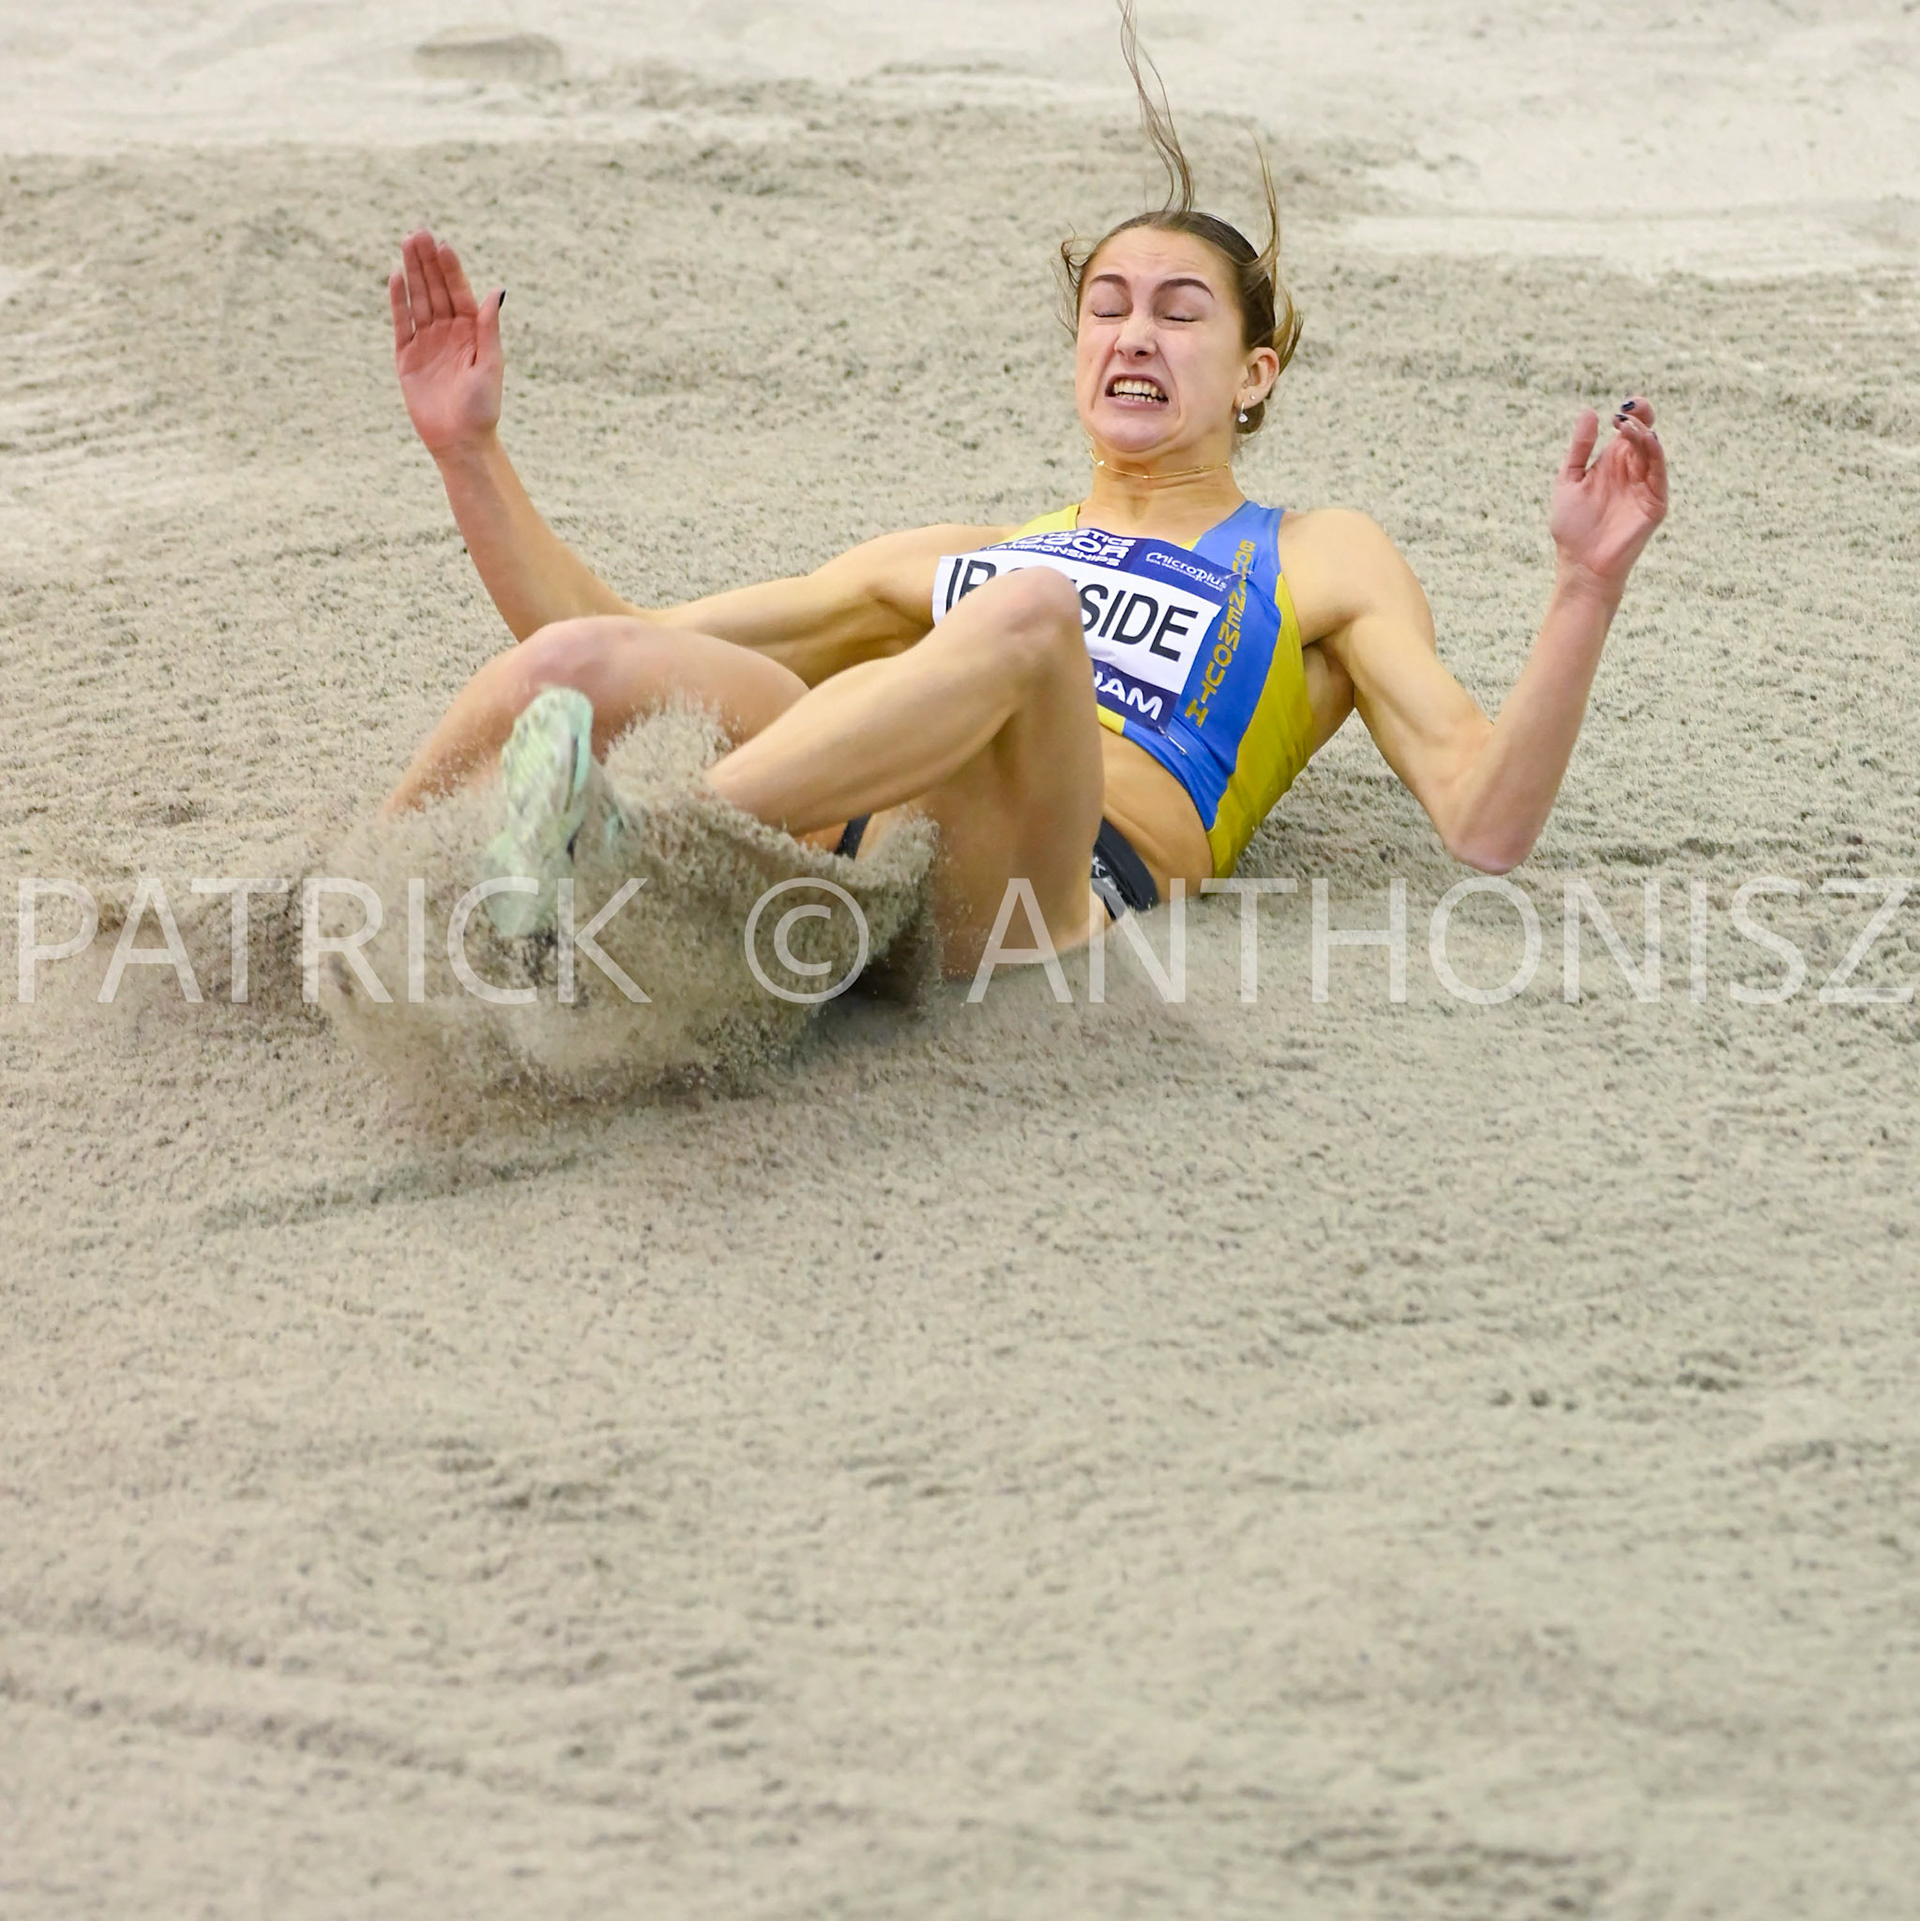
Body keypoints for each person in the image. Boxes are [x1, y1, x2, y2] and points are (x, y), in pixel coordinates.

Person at [379, 56, 1667, 976]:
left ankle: (649, 840)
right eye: (1107, 305)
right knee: (572, 668)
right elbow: (609, 632)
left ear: (1255, 372)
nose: (1134, 333)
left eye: (1179, 310)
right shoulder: (955, 560)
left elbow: (1485, 821)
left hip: (1048, 880)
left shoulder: (1313, 556)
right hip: (862, 825)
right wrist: (470, 452)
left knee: (1032, 617)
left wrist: (1584, 590)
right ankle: (349, 903)